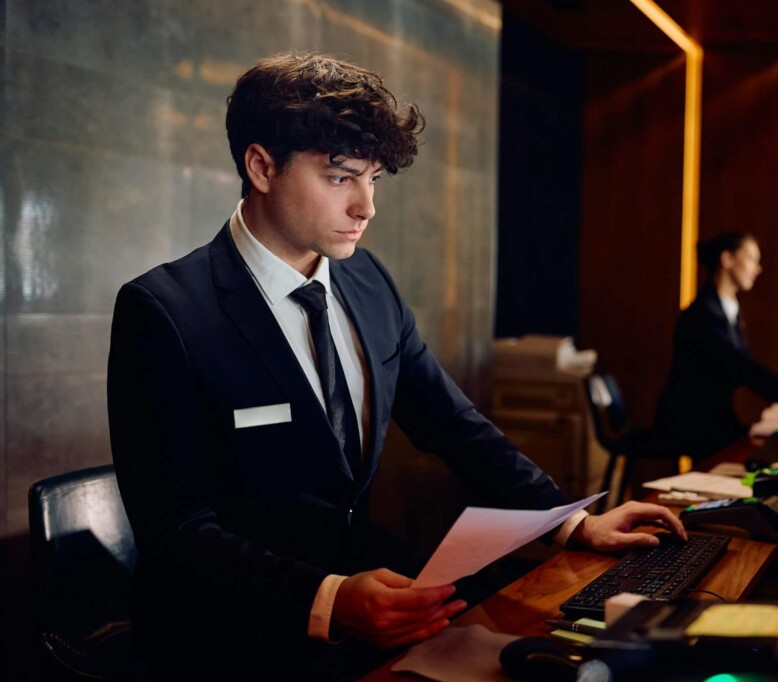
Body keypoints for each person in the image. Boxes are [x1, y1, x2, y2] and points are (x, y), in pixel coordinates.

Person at [106, 52, 684, 680]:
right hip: (225, 641)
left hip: (368, 617)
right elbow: (177, 530)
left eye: (374, 178)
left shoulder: (368, 283)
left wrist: (572, 521)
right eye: (341, 177)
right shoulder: (162, 311)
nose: (366, 206)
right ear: (261, 166)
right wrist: (326, 598)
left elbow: (451, 422)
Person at [652, 232, 778, 460]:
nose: (757, 269)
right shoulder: (702, 314)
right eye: (751, 258)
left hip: (716, 419)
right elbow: (742, 368)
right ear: (727, 259)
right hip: (690, 421)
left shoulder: (729, 310)